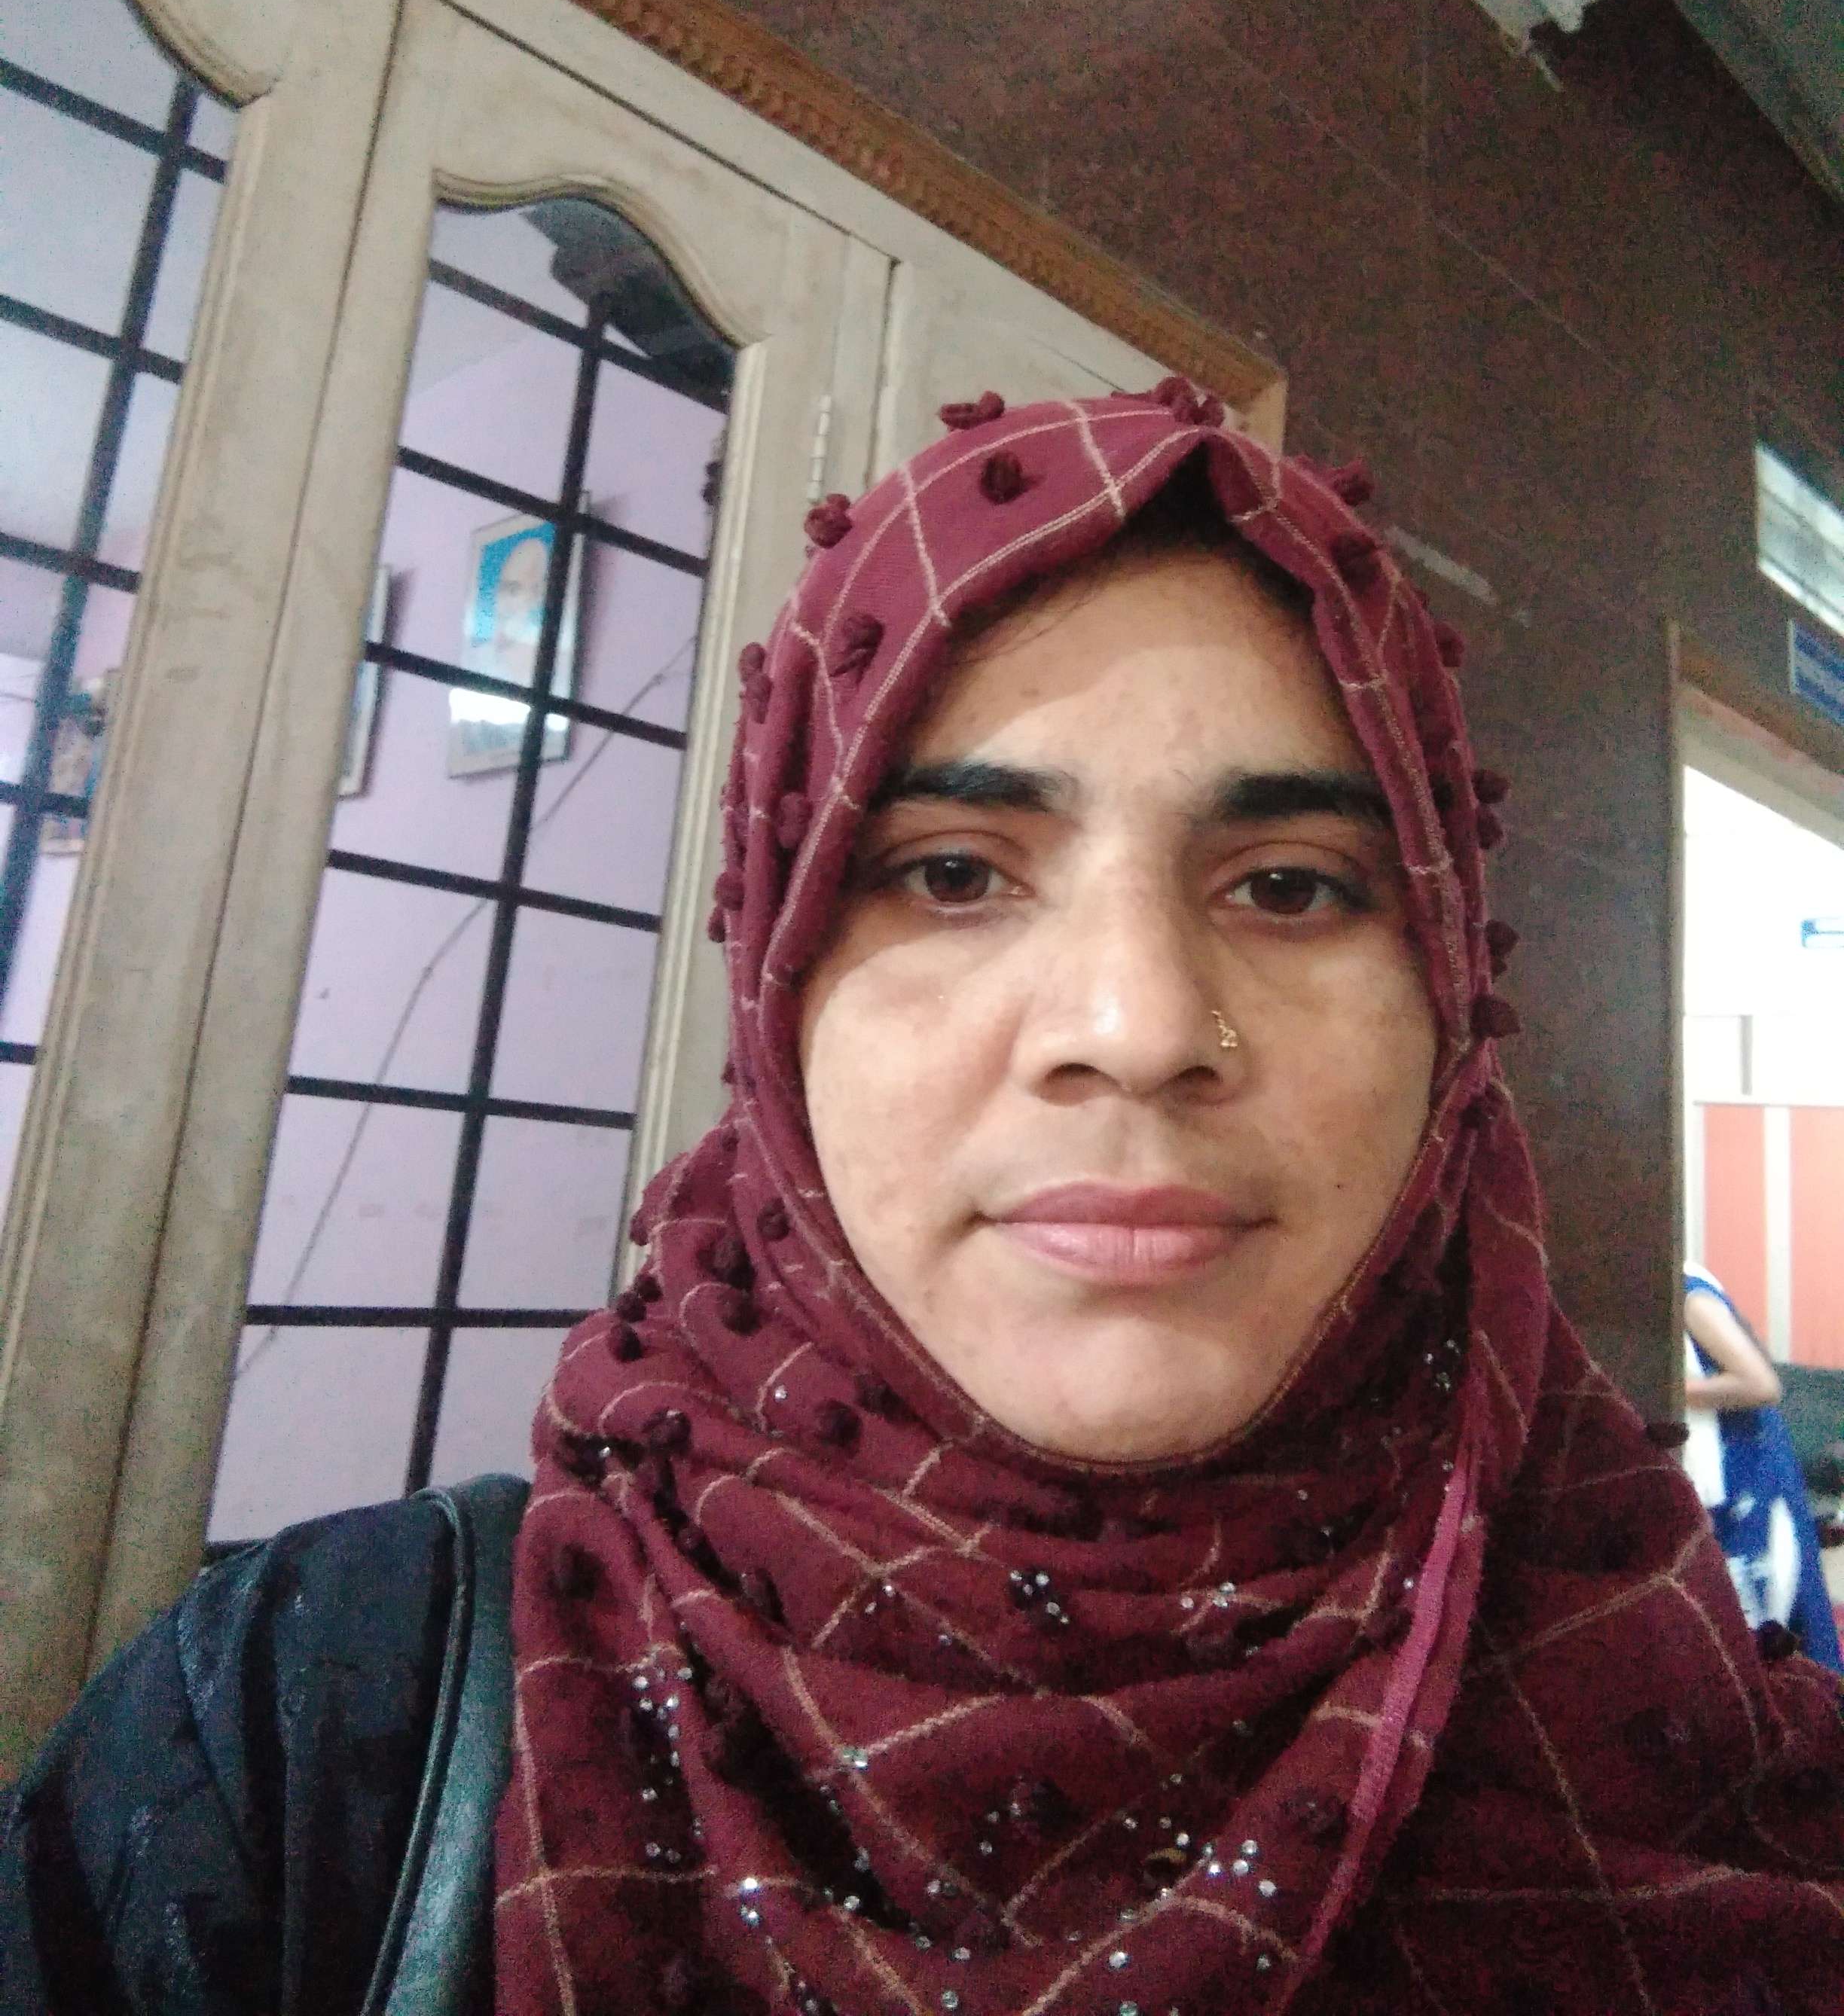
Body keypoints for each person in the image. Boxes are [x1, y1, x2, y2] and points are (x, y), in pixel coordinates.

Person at [8, 385, 1844, 2014]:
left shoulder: (1702, 1760)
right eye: (954, 872)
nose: (1136, 1030)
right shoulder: (308, 1729)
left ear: (1447, 1002)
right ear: (779, 983)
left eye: (1289, 887)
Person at [1684, 1263, 1843, 1672]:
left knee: (1776, 1620)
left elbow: (1761, 1385)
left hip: (1750, 1474)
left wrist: (1665, 1390)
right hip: (1721, 1477)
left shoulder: (1687, 1295)